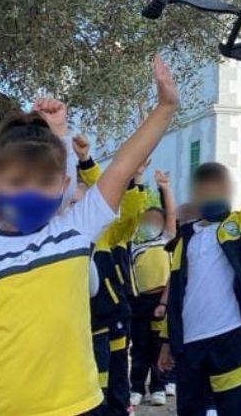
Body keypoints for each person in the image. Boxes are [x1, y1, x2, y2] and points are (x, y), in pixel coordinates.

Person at [0, 56, 179, 416]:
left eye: (43, 182)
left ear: (63, 185)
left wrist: (165, 107)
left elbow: (124, 164)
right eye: (16, 181)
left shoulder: (74, 230)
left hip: (78, 409)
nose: (30, 192)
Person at [157, 123, 241, 416]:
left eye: (217, 189)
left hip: (229, 334)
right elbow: (176, 293)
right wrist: (167, 341)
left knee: (232, 408)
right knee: (190, 408)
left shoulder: (238, 224)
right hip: (189, 341)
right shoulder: (185, 238)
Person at [83, 146, 149, 416]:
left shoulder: (104, 234)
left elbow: (128, 211)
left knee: (116, 372)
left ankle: (121, 408)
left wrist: (87, 162)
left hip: (110, 317)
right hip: (78, 324)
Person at [130, 169, 178, 407]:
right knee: (140, 346)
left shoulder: (166, 239)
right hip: (140, 301)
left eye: (155, 221)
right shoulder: (135, 244)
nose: (150, 224)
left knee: (160, 345)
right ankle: (137, 387)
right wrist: (137, 179)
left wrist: (165, 188)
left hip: (163, 300)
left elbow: (171, 213)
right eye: (146, 221)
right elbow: (131, 212)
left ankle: (158, 386)